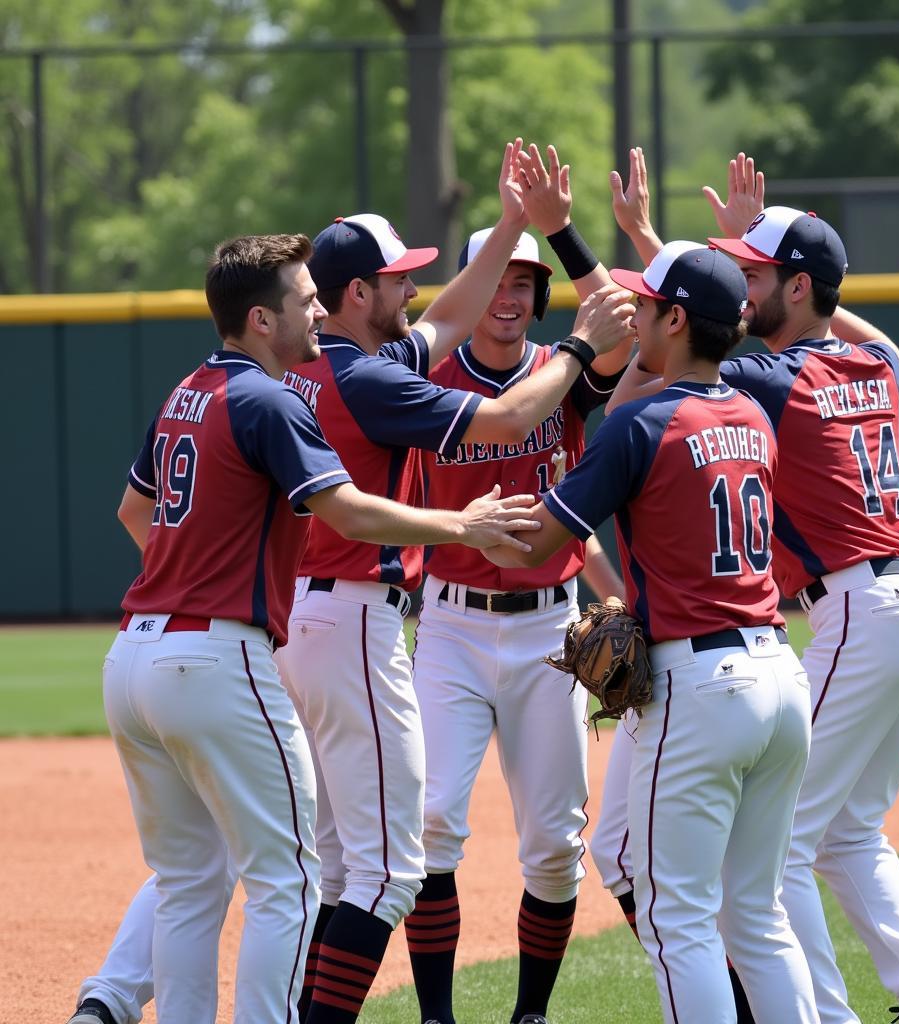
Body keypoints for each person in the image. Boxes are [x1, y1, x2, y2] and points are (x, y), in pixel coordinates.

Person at [66, 142, 635, 1024]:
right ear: (349, 298)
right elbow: (500, 417)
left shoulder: (230, 381)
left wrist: (519, 221)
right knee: (375, 867)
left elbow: (137, 516)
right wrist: (578, 349)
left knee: (233, 864)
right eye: (395, 278)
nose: (413, 289)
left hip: (229, 637)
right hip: (342, 628)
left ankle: (112, 998)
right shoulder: (353, 378)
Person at [607, 148, 899, 1024]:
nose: (741, 290)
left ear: (802, 290)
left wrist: (651, 248)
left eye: (756, 274)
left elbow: (690, 342)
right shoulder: (874, 366)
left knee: (777, 854)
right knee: (847, 827)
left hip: (859, 608)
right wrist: (764, 253)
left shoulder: (772, 381)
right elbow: (867, 334)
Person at [482, 240, 819, 1024]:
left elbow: (541, 540)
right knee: (758, 917)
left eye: (645, 305)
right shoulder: (749, 415)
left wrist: (456, 527)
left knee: (680, 921)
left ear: (674, 319)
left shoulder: (640, 425)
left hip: (701, 689)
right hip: (777, 673)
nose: (632, 312)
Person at [402, 148, 634, 1024]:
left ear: (540, 296)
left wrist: (561, 232)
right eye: (497, 277)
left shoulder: (568, 375)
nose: (509, 294)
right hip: (452, 628)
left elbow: (615, 313)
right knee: (429, 829)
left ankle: (530, 1014)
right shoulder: (423, 376)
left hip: (549, 634)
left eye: (525, 281)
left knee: (552, 849)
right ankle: (434, 1016)